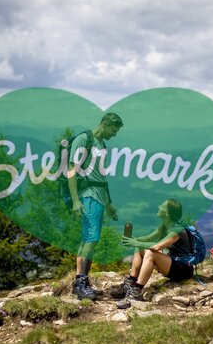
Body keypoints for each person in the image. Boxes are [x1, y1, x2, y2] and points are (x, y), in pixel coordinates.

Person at [68, 112, 123, 300]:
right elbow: (71, 171)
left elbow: (103, 177)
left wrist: (109, 204)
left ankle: (81, 282)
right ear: (105, 124)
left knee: (89, 239)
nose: (114, 135)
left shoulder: (102, 145)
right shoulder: (84, 140)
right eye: (113, 130)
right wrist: (75, 200)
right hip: (88, 194)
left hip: (99, 196)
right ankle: (80, 283)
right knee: (91, 238)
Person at [114, 198, 195, 309]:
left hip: (184, 269)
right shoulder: (165, 226)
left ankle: (136, 292)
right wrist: (132, 241)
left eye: (162, 206)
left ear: (167, 213)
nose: (158, 207)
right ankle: (131, 283)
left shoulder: (177, 230)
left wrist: (136, 242)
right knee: (140, 246)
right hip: (174, 264)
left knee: (151, 253)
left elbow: (157, 246)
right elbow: (146, 239)